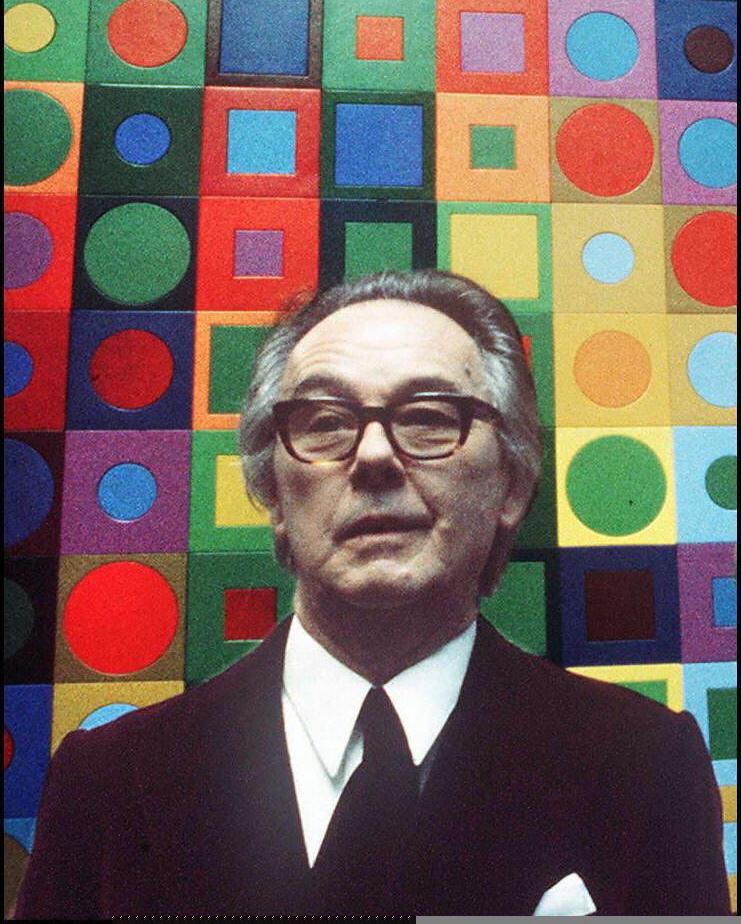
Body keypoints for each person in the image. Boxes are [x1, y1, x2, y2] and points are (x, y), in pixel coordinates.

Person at [15, 270, 730, 918]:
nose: (375, 456)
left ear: (512, 483)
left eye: (429, 417)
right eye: (325, 422)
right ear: (272, 493)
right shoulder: (107, 780)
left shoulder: (644, 764)